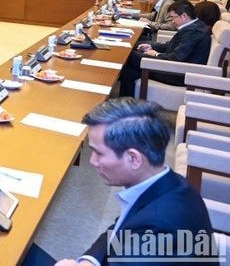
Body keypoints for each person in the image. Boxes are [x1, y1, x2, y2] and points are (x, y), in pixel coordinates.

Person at [26, 98, 214, 266]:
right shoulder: (169, 183)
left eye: (98, 152)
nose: (92, 161)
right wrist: (89, 261)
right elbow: (121, 228)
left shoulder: (159, 228)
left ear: (134, 158)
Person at [118, 0, 211, 97]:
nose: (172, 21)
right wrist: (152, 46)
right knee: (129, 72)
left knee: (131, 55)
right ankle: (124, 105)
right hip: (175, 67)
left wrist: (156, 54)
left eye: (173, 17)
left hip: (178, 73)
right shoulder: (195, 25)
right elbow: (174, 45)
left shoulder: (193, 32)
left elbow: (176, 58)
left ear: (184, 16)